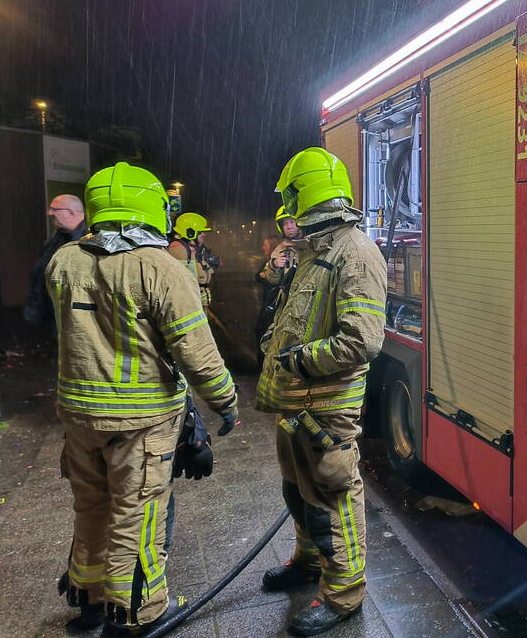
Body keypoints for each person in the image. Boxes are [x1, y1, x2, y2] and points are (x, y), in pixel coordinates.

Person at [46, 163, 239, 635]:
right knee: (137, 514)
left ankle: (89, 601)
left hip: (79, 417)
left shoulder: (64, 261)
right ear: (151, 207)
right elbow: (195, 351)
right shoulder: (161, 268)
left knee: (91, 508)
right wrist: (225, 401)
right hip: (142, 419)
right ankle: (137, 612)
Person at [257, 147, 386, 636]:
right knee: (300, 492)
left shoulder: (354, 252)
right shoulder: (316, 252)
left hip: (326, 410)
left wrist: (295, 360)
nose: (286, 207)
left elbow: (362, 340)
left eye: (289, 196)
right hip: (296, 405)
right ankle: (307, 562)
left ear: (301, 194)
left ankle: (344, 594)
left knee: (332, 497)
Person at [23, 194, 87, 328]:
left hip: (75, 317)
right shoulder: (56, 237)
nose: (49, 213)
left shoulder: (91, 239)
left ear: (70, 212)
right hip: (52, 314)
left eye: (55, 209)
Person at [254, 206, 302, 367]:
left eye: (292, 222)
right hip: (287, 306)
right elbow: (272, 280)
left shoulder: (311, 245)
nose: (289, 226)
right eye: (285, 223)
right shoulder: (281, 249)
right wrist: (274, 265)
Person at [168, 212, 214, 307]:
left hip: (195, 298)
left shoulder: (189, 247)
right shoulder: (178, 248)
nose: (204, 234)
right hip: (189, 302)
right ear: (189, 232)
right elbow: (181, 281)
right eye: (200, 232)